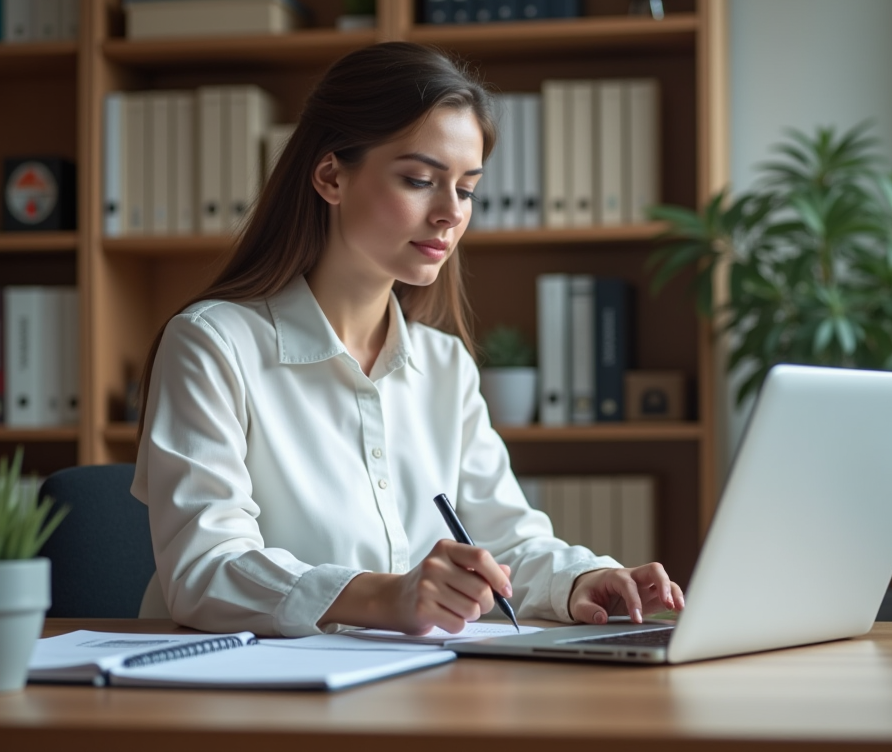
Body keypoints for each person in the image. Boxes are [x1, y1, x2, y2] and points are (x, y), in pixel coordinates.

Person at [132, 42, 685, 637]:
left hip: (410, 693)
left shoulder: (443, 364)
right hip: (233, 698)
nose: (451, 213)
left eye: (467, 189)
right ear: (330, 176)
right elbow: (206, 568)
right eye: (420, 180)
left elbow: (504, 540)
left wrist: (578, 581)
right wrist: (386, 597)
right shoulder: (213, 344)